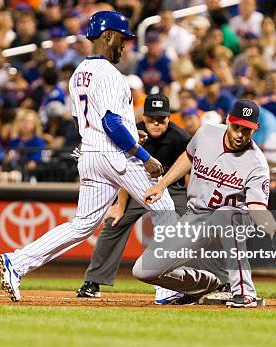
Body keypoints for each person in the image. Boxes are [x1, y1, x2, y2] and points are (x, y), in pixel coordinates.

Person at [0, 11, 175, 302]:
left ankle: (17, 262)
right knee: (165, 209)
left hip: (90, 152)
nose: (124, 45)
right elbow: (110, 123)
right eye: (122, 38)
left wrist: (132, 132)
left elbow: (100, 121)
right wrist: (143, 156)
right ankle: (167, 289)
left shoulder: (78, 73)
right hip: (114, 153)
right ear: (107, 36)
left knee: (82, 224)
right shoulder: (110, 75)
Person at [133, 100, 276, 308]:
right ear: (227, 120)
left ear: (256, 129)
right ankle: (205, 285)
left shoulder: (257, 164)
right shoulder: (206, 133)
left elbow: (257, 207)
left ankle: (244, 292)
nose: (239, 134)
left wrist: (273, 230)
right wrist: (162, 184)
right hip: (196, 217)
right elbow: (188, 158)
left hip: (234, 221)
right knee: (143, 270)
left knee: (226, 213)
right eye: (236, 127)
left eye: (247, 130)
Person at [76, 93, 191, 302]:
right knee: (113, 222)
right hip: (139, 187)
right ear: (144, 117)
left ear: (169, 117)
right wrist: (120, 207)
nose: (156, 123)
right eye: (151, 119)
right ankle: (93, 281)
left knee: (186, 227)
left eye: (161, 119)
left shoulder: (181, 138)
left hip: (173, 188)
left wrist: (191, 204)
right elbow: (124, 171)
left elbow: (191, 172)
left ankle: (183, 282)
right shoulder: (131, 133)